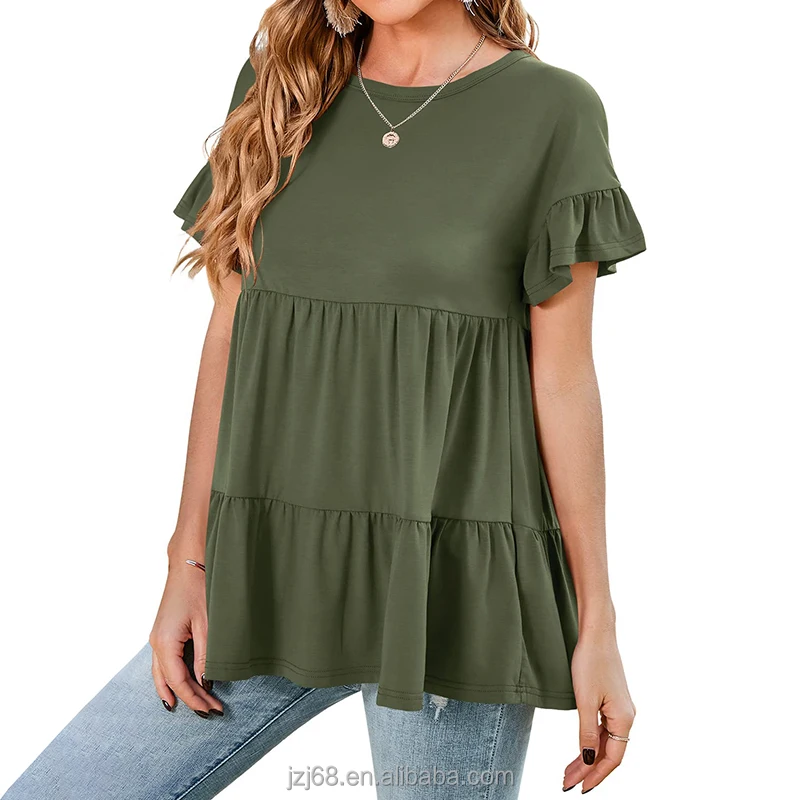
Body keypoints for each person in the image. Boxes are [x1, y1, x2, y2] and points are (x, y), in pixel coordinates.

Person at [2, 0, 646, 797]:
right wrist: (188, 560)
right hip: (267, 572)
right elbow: (230, 335)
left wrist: (597, 623)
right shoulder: (283, 90)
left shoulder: (552, 111)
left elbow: (564, 379)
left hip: (451, 593)